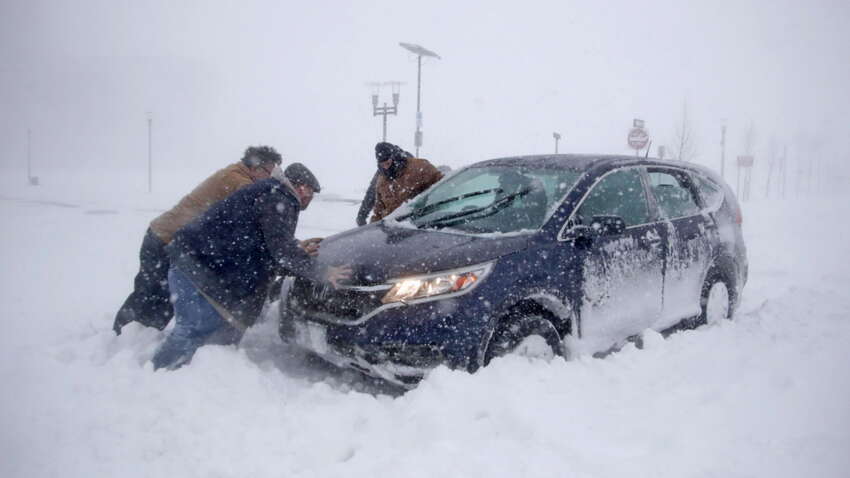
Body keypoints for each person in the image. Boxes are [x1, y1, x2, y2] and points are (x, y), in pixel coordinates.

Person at [151, 163, 351, 370]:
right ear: (301, 188)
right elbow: (280, 250)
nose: (310, 198)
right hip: (198, 266)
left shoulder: (271, 192)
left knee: (219, 335)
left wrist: (297, 249)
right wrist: (322, 272)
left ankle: (198, 377)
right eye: (311, 192)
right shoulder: (279, 198)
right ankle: (157, 374)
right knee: (194, 329)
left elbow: (268, 242)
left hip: (206, 265)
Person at [112, 146, 284, 335]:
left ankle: (137, 337)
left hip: (174, 241)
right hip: (164, 239)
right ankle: (122, 336)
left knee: (163, 298)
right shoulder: (235, 178)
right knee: (150, 294)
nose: (272, 178)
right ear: (256, 167)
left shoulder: (236, 175)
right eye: (271, 172)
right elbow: (259, 206)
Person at [370, 142, 444, 222]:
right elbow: (378, 211)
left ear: (395, 158)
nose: (386, 167)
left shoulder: (419, 167)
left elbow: (443, 186)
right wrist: (371, 230)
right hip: (392, 228)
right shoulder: (381, 181)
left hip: (420, 225)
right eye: (382, 165)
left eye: (388, 163)